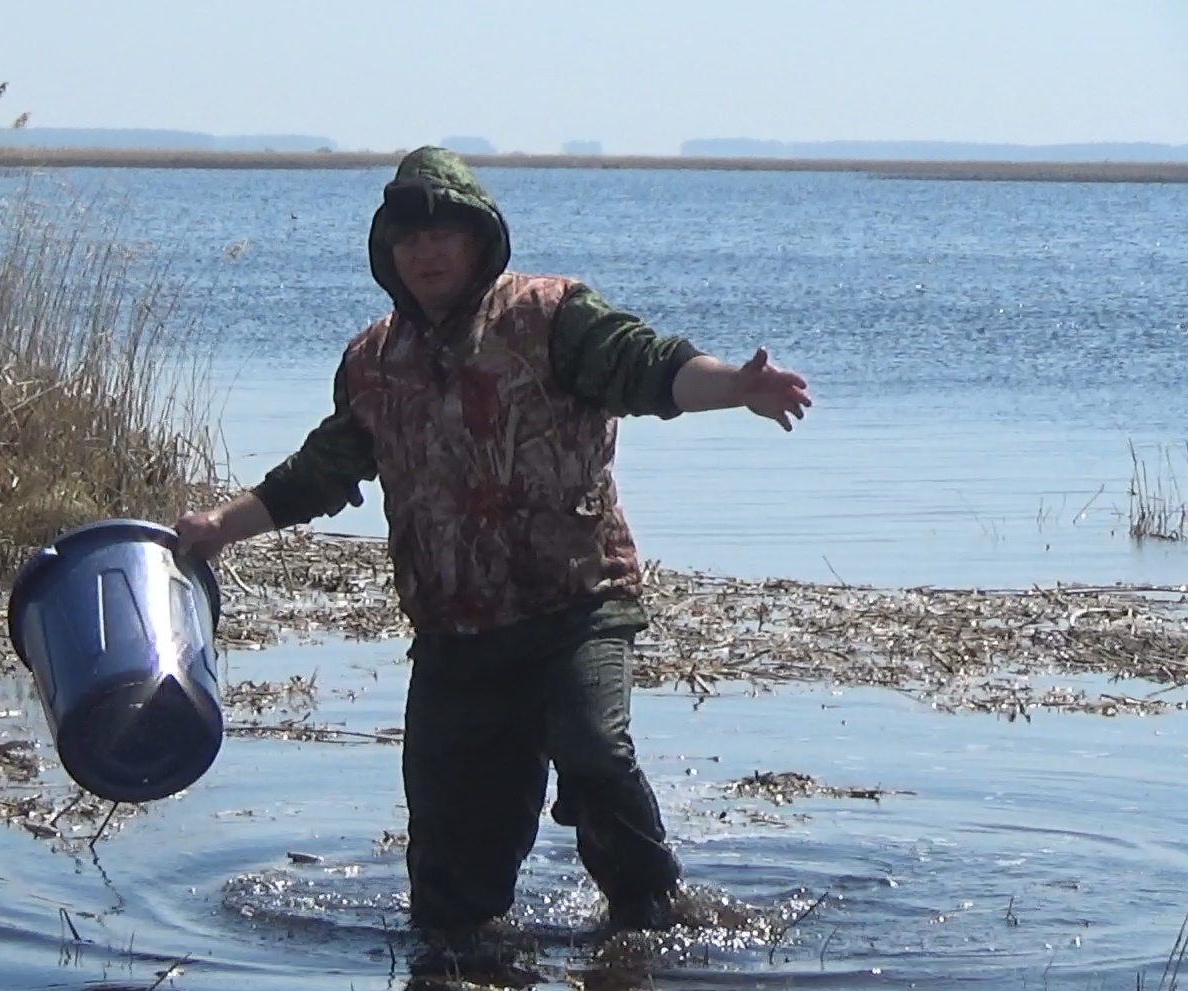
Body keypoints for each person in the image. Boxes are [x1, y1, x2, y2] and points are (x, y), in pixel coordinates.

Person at [174, 147, 812, 945]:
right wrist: (217, 528)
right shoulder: (374, 362)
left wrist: (733, 387)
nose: (427, 251)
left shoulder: (552, 317)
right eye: (409, 237)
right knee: (448, 896)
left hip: (575, 608)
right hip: (454, 638)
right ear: (387, 252)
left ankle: (655, 921)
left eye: (445, 233)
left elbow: (651, 367)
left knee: (593, 749)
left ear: (480, 239)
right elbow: (319, 472)